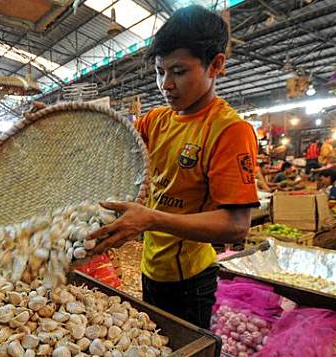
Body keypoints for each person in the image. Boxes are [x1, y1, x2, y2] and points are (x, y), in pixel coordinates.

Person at [87, 5, 259, 329]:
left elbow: (236, 225)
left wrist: (149, 219)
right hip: (151, 269)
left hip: (190, 281)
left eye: (178, 72)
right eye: (159, 71)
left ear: (216, 65)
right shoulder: (156, 120)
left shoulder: (228, 130)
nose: (165, 84)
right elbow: (110, 148)